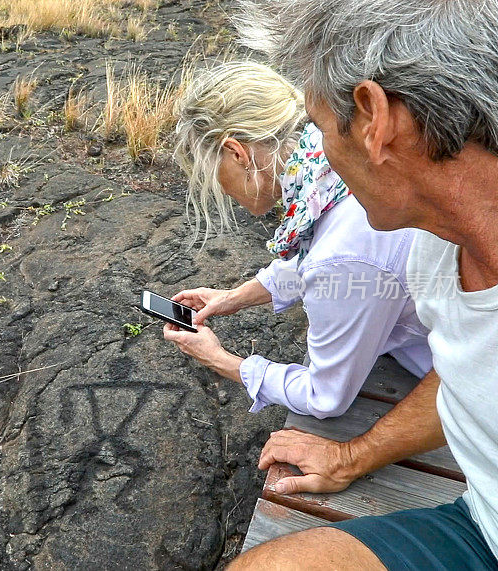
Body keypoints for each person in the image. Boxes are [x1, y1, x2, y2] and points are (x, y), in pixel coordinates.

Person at [228, 0, 498, 569]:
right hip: (483, 516)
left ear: (373, 120)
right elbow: (462, 368)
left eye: (322, 127)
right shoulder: (436, 244)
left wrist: (229, 360)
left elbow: (327, 392)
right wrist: (353, 456)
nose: (319, 152)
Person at [164, 61, 431, 419]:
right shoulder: (333, 164)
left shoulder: (342, 253)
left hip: (447, 380)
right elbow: (326, 267)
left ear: (237, 153)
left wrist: (223, 361)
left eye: (215, 175)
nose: (224, 192)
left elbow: (325, 397)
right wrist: (235, 298)